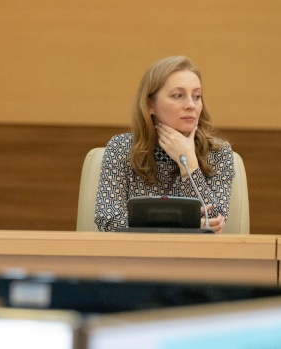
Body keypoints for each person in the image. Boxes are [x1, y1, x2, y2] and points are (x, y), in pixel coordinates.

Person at [94, 56, 234, 233]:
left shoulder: (218, 152)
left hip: (194, 251)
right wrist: (178, 226)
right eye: (178, 95)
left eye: (197, 96)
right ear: (150, 105)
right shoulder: (121, 148)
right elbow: (107, 220)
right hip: (136, 251)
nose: (191, 105)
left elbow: (214, 223)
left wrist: (189, 165)